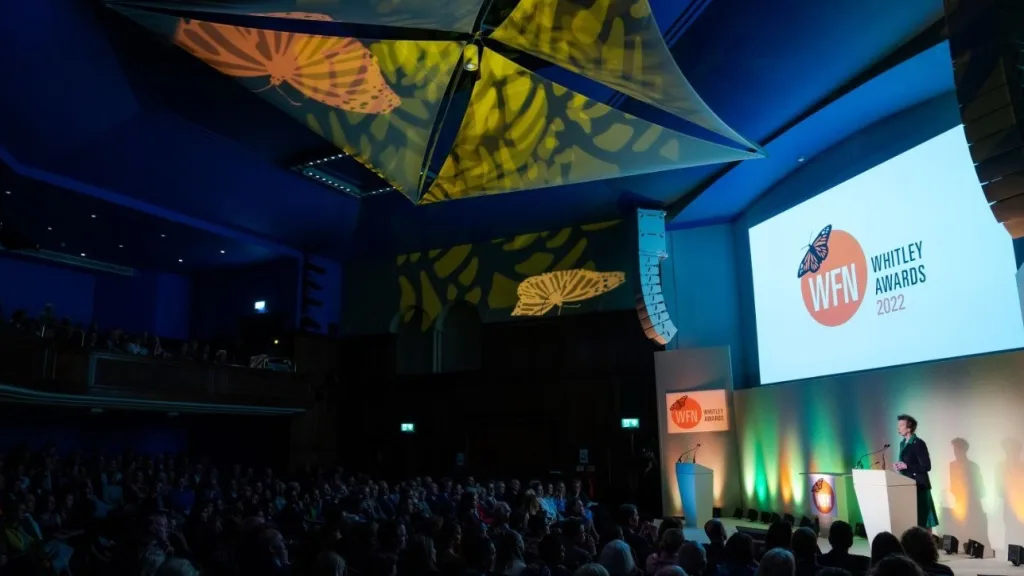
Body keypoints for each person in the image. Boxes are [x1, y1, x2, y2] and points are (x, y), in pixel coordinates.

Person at [893, 414, 938, 531]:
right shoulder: (903, 443)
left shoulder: (918, 443)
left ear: (909, 428)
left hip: (920, 486)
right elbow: (906, 464)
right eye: (898, 425)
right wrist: (899, 466)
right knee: (912, 518)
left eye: (901, 425)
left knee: (923, 520)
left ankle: (927, 546)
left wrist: (907, 466)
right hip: (907, 485)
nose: (898, 428)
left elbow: (926, 466)